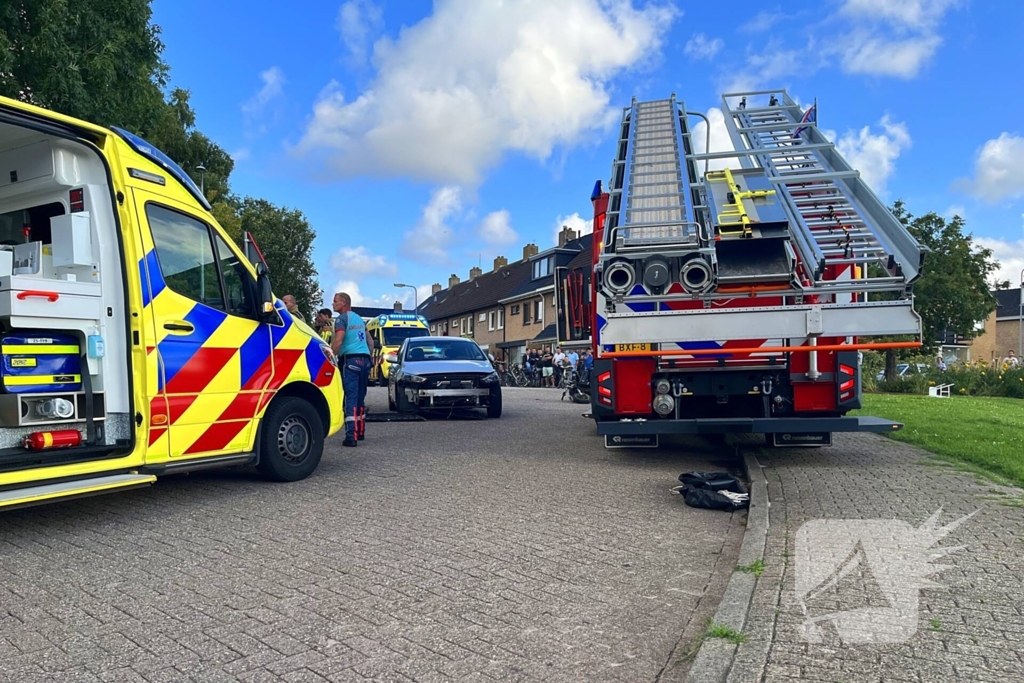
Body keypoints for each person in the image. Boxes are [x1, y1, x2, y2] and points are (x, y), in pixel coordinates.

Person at [332, 292, 373, 447]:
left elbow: (339, 340)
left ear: (343, 302)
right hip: (365, 361)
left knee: (350, 397)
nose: (333, 304)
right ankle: (360, 431)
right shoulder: (360, 319)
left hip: (350, 361)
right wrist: (369, 358)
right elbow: (370, 341)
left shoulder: (341, 319)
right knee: (360, 398)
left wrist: (330, 356)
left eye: (335, 301)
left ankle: (351, 436)